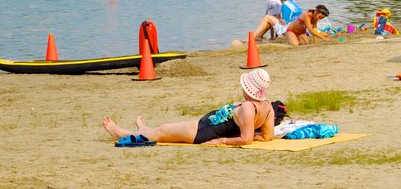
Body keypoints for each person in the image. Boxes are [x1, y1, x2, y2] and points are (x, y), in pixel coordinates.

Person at [101, 69, 274, 146]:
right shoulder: (267, 108)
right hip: (205, 126)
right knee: (163, 130)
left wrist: (221, 141)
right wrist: (249, 133)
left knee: (163, 130)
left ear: (249, 88)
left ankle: (121, 133)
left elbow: (246, 139)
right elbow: (267, 136)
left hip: (204, 132)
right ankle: (144, 129)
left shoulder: (248, 109)